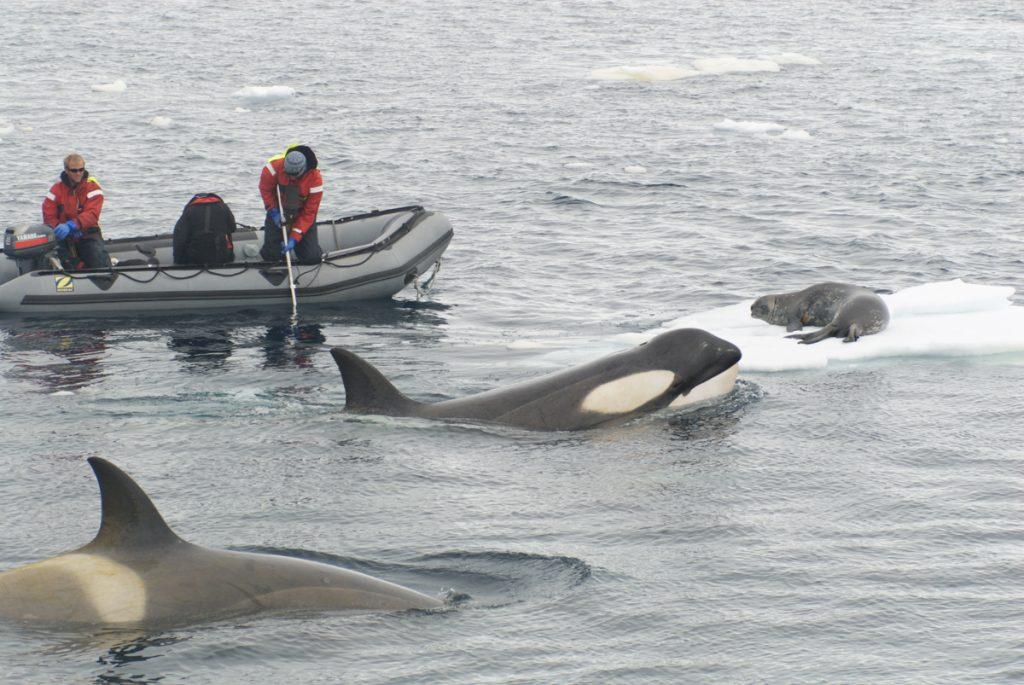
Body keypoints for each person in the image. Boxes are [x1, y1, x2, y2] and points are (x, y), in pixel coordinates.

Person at [41, 153, 112, 270]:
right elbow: (48, 215)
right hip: (63, 235)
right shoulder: (56, 190)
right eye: (74, 170)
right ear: (66, 170)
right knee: (63, 259)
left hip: (87, 233)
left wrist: (73, 225)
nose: (78, 173)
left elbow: (92, 214)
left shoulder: (92, 188)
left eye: (81, 169)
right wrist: (58, 227)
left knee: (97, 259)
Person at [258, 145, 323, 264]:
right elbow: (265, 189)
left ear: (303, 169)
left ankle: (301, 248)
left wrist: (294, 237)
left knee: (311, 257)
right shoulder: (273, 169)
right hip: (279, 211)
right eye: (289, 174)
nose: (292, 177)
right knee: (271, 255)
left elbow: (309, 212)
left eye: (295, 174)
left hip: (301, 214)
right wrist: (273, 211)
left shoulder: (315, 179)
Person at [172, 193, 236, 265]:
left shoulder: (189, 210)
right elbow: (233, 228)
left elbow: (179, 238)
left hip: (195, 258)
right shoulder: (224, 207)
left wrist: (177, 260)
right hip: (221, 257)